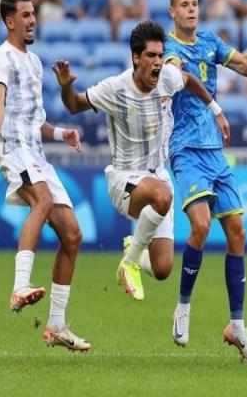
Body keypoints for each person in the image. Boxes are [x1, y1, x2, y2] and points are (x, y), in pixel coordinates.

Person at [52, 20, 230, 301]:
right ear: (136, 58)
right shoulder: (115, 89)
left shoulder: (168, 77)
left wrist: (215, 110)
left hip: (157, 175)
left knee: (162, 269)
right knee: (163, 194)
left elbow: (190, 80)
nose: (158, 62)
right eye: (151, 56)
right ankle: (131, 261)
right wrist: (65, 88)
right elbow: (74, 105)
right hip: (125, 179)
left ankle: (132, 248)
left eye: (160, 55)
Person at [165, 0, 247, 363]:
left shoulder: (210, 41)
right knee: (200, 226)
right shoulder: (168, 49)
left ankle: (236, 325)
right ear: (172, 11)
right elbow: (182, 78)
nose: (191, 9)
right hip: (185, 149)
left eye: (195, 3)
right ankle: (183, 308)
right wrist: (215, 107)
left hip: (215, 152)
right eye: (184, 5)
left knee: (238, 233)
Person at [0, 0, 90, 352]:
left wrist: (62, 133)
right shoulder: (0, 57)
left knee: (73, 235)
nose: (32, 20)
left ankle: (56, 326)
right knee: (42, 200)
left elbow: (36, 121)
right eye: (25, 15)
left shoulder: (36, 63)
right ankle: (19, 286)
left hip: (36, 153)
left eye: (33, 13)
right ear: (10, 21)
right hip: (12, 147)